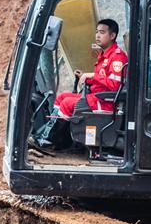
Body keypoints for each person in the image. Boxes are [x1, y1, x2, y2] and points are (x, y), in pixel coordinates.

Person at [32, 19, 128, 148]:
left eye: (102, 32)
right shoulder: (105, 54)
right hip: (96, 96)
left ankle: (49, 139)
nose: (97, 35)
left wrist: (93, 76)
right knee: (62, 97)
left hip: (106, 101)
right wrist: (85, 77)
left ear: (112, 36)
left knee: (67, 104)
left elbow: (115, 86)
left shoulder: (117, 57)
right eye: (97, 32)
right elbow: (101, 79)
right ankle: (61, 140)